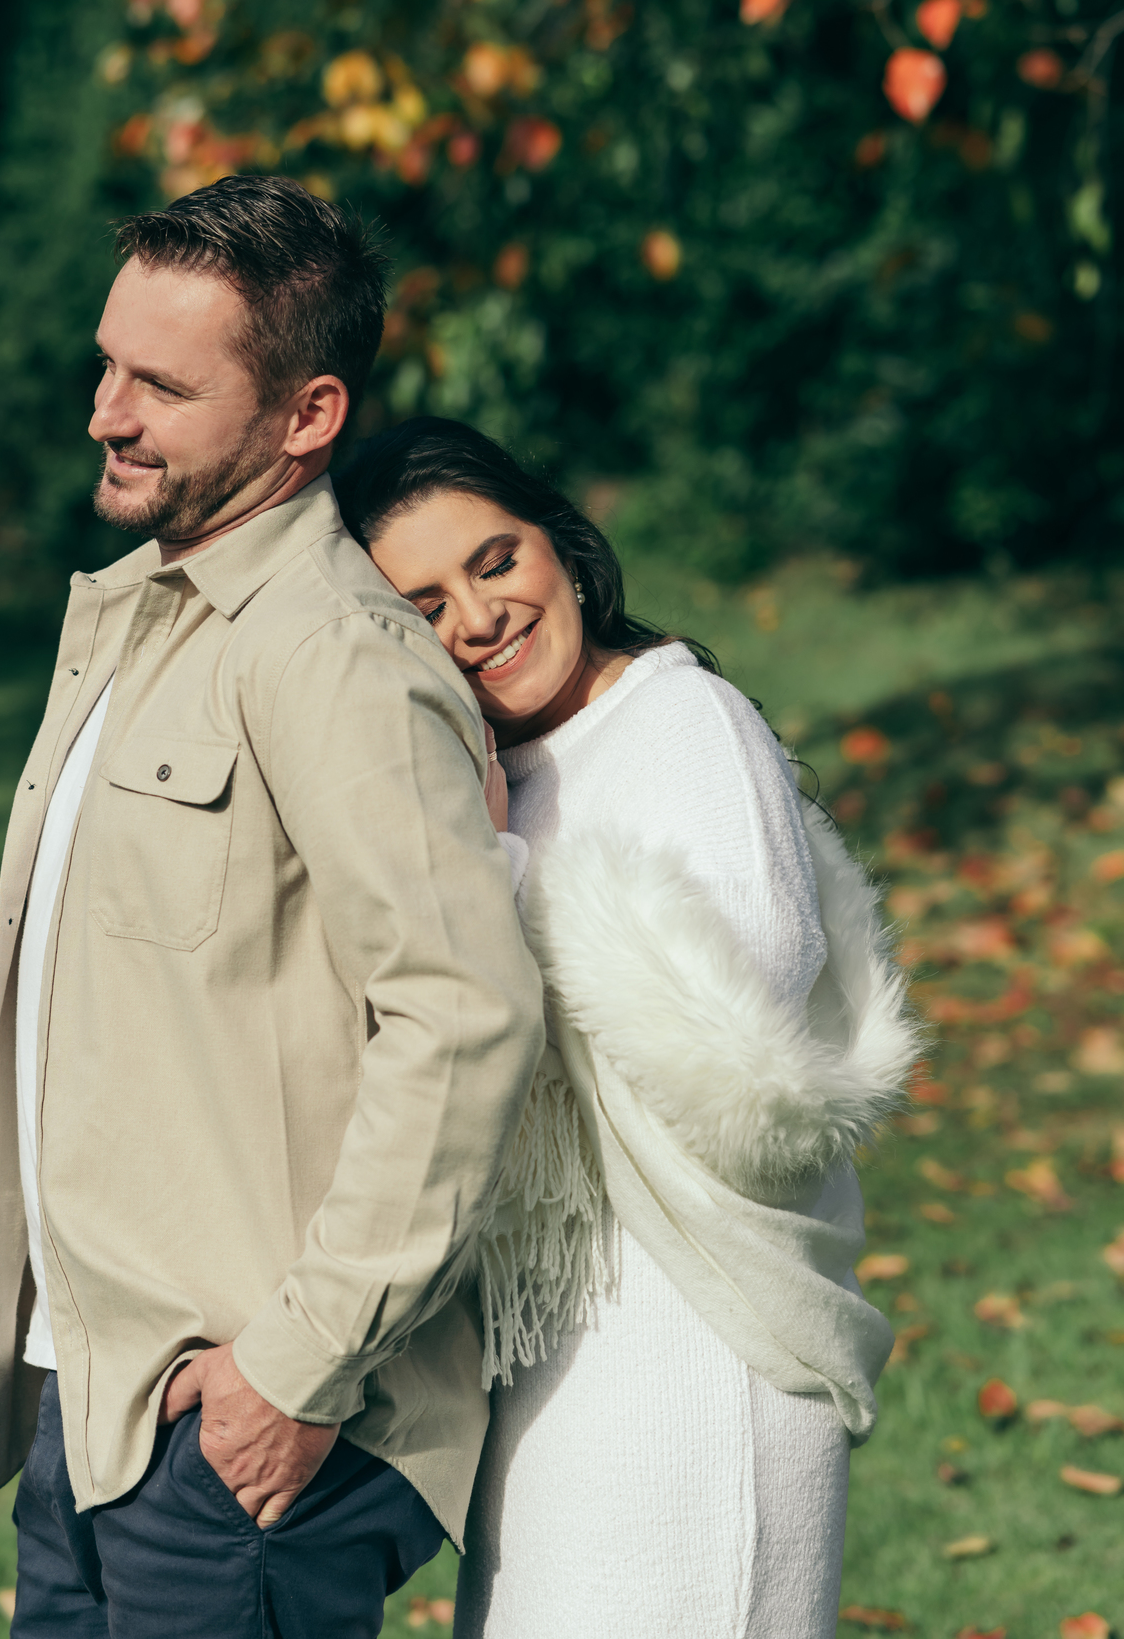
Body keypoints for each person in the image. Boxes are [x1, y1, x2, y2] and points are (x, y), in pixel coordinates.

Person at [0, 180, 546, 1638]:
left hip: (253, 1433)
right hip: (98, 1407)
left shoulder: (336, 655)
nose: (107, 411)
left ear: (306, 415)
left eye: (162, 384)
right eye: (107, 365)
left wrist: (293, 1366)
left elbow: (466, 1014)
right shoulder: (128, 621)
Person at [335, 416, 922, 1639]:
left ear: (561, 543)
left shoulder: (682, 720)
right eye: (426, 603)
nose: (480, 615)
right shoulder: (506, 764)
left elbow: (743, 1020)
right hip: (559, 1340)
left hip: (695, 1342)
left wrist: (508, 893)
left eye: (496, 561)